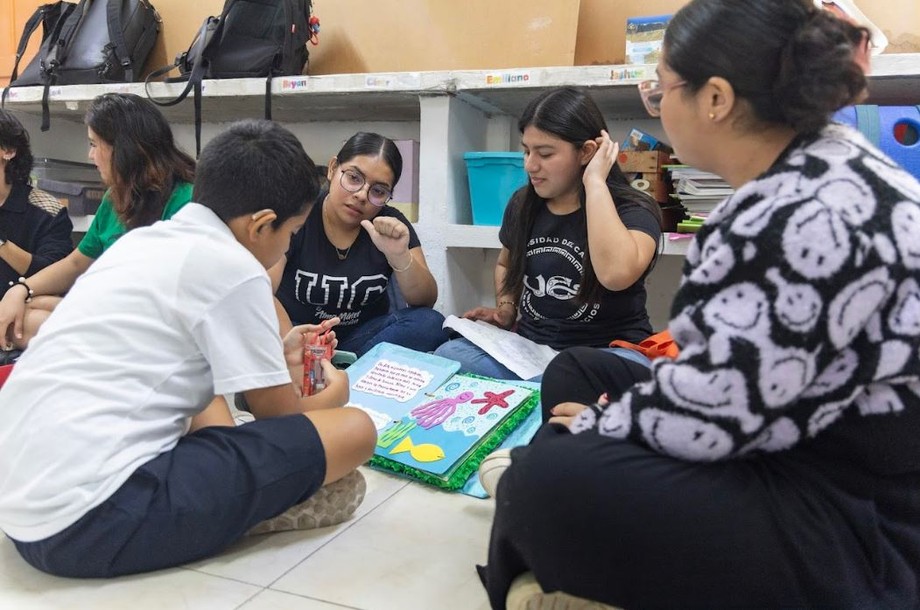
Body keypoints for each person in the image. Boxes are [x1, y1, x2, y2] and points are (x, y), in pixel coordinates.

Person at [479, 1, 920, 608]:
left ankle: (557, 537)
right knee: (579, 372)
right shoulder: (823, 163)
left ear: (714, 98)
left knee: (542, 482)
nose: (655, 103)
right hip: (799, 433)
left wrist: (601, 427)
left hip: (856, 516)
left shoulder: (791, 217)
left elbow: (715, 415)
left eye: (661, 88)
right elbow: (737, 379)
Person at [0, 119, 377, 578]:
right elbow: (281, 421)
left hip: (19, 506)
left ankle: (226, 505)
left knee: (202, 401)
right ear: (261, 225)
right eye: (292, 232)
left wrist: (277, 357)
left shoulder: (143, 240)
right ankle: (244, 515)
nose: (290, 244)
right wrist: (335, 385)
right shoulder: (237, 269)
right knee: (355, 430)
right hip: (84, 527)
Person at [434, 87, 662, 381]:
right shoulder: (523, 203)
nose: (530, 165)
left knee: (616, 377)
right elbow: (506, 263)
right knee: (448, 357)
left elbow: (616, 274)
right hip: (532, 351)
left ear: (587, 152)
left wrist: (595, 183)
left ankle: (549, 391)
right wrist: (506, 311)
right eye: (527, 151)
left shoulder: (634, 208)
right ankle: (553, 392)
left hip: (607, 352)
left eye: (545, 153)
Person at [0, 93, 195, 350]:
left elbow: (173, 287)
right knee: (25, 310)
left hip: (151, 325)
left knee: (29, 319)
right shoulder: (115, 197)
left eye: (94, 144)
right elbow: (77, 262)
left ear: (125, 148)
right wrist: (21, 291)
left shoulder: (186, 200)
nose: (90, 155)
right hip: (110, 314)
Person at [272, 132, 447, 357]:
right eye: (354, 178)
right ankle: (346, 375)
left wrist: (399, 256)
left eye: (378, 191)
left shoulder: (389, 224)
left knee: (430, 323)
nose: (362, 195)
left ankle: (345, 374)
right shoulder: (299, 213)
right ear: (333, 168)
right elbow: (262, 291)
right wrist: (296, 349)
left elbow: (425, 301)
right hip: (299, 333)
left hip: (363, 340)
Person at [0, 109, 72, 333]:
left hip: (21, 313)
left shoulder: (47, 210)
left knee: (46, 316)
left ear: (9, 151)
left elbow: (53, 276)